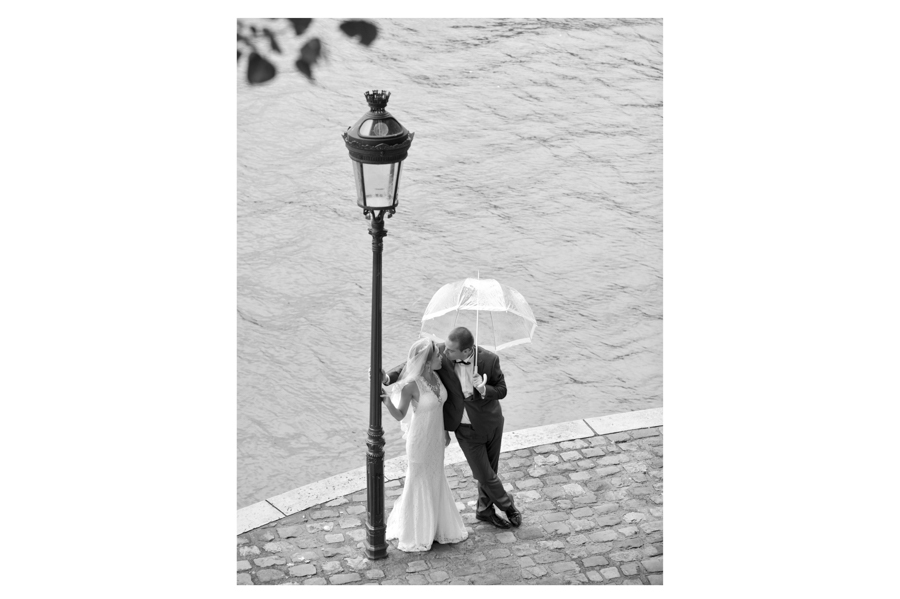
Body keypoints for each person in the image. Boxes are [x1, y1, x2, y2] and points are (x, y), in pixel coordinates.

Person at [382, 327, 522, 530]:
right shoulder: (441, 356)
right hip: (463, 428)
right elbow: (413, 363)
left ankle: (484, 510)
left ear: (466, 352)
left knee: (491, 470)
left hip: (491, 422)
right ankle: (508, 506)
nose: (445, 352)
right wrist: (387, 378)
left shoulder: (489, 360)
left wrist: (483, 389)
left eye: (451, 350)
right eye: (444, 348)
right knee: (483, 474)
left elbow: (502, 390)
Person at [381, 337, 468, 552]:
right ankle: (417, 531)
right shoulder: (412, 385)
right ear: (427, 361)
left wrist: (446, 431)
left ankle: (437, 526)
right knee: (418, 479)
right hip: (419, 440)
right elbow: (400, 414)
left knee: (436, 477)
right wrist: (385, 401)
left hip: (436, 438)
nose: (442, 357)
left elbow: (440, 406)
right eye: (437, 355)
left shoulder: (437, 377)